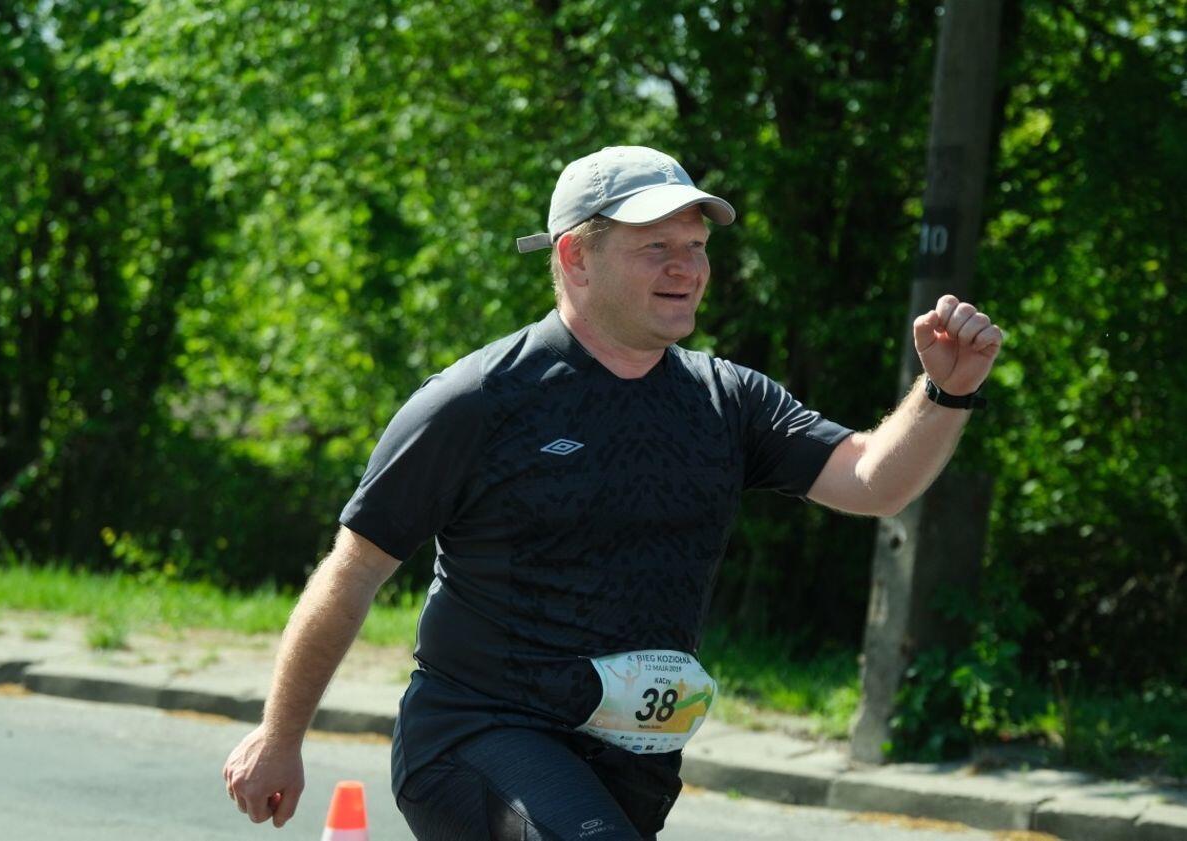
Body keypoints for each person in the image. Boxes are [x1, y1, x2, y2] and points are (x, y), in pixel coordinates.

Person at [222, 145, 1003, 839]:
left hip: (633, 763)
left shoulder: (726, 401)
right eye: (655, 246)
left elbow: (873, 481)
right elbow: (355, 568)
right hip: (479, 736)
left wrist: (946, 393)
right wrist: (279, 733)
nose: (687, 267)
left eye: (696, 247)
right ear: (575, 257)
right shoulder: (478, 401)